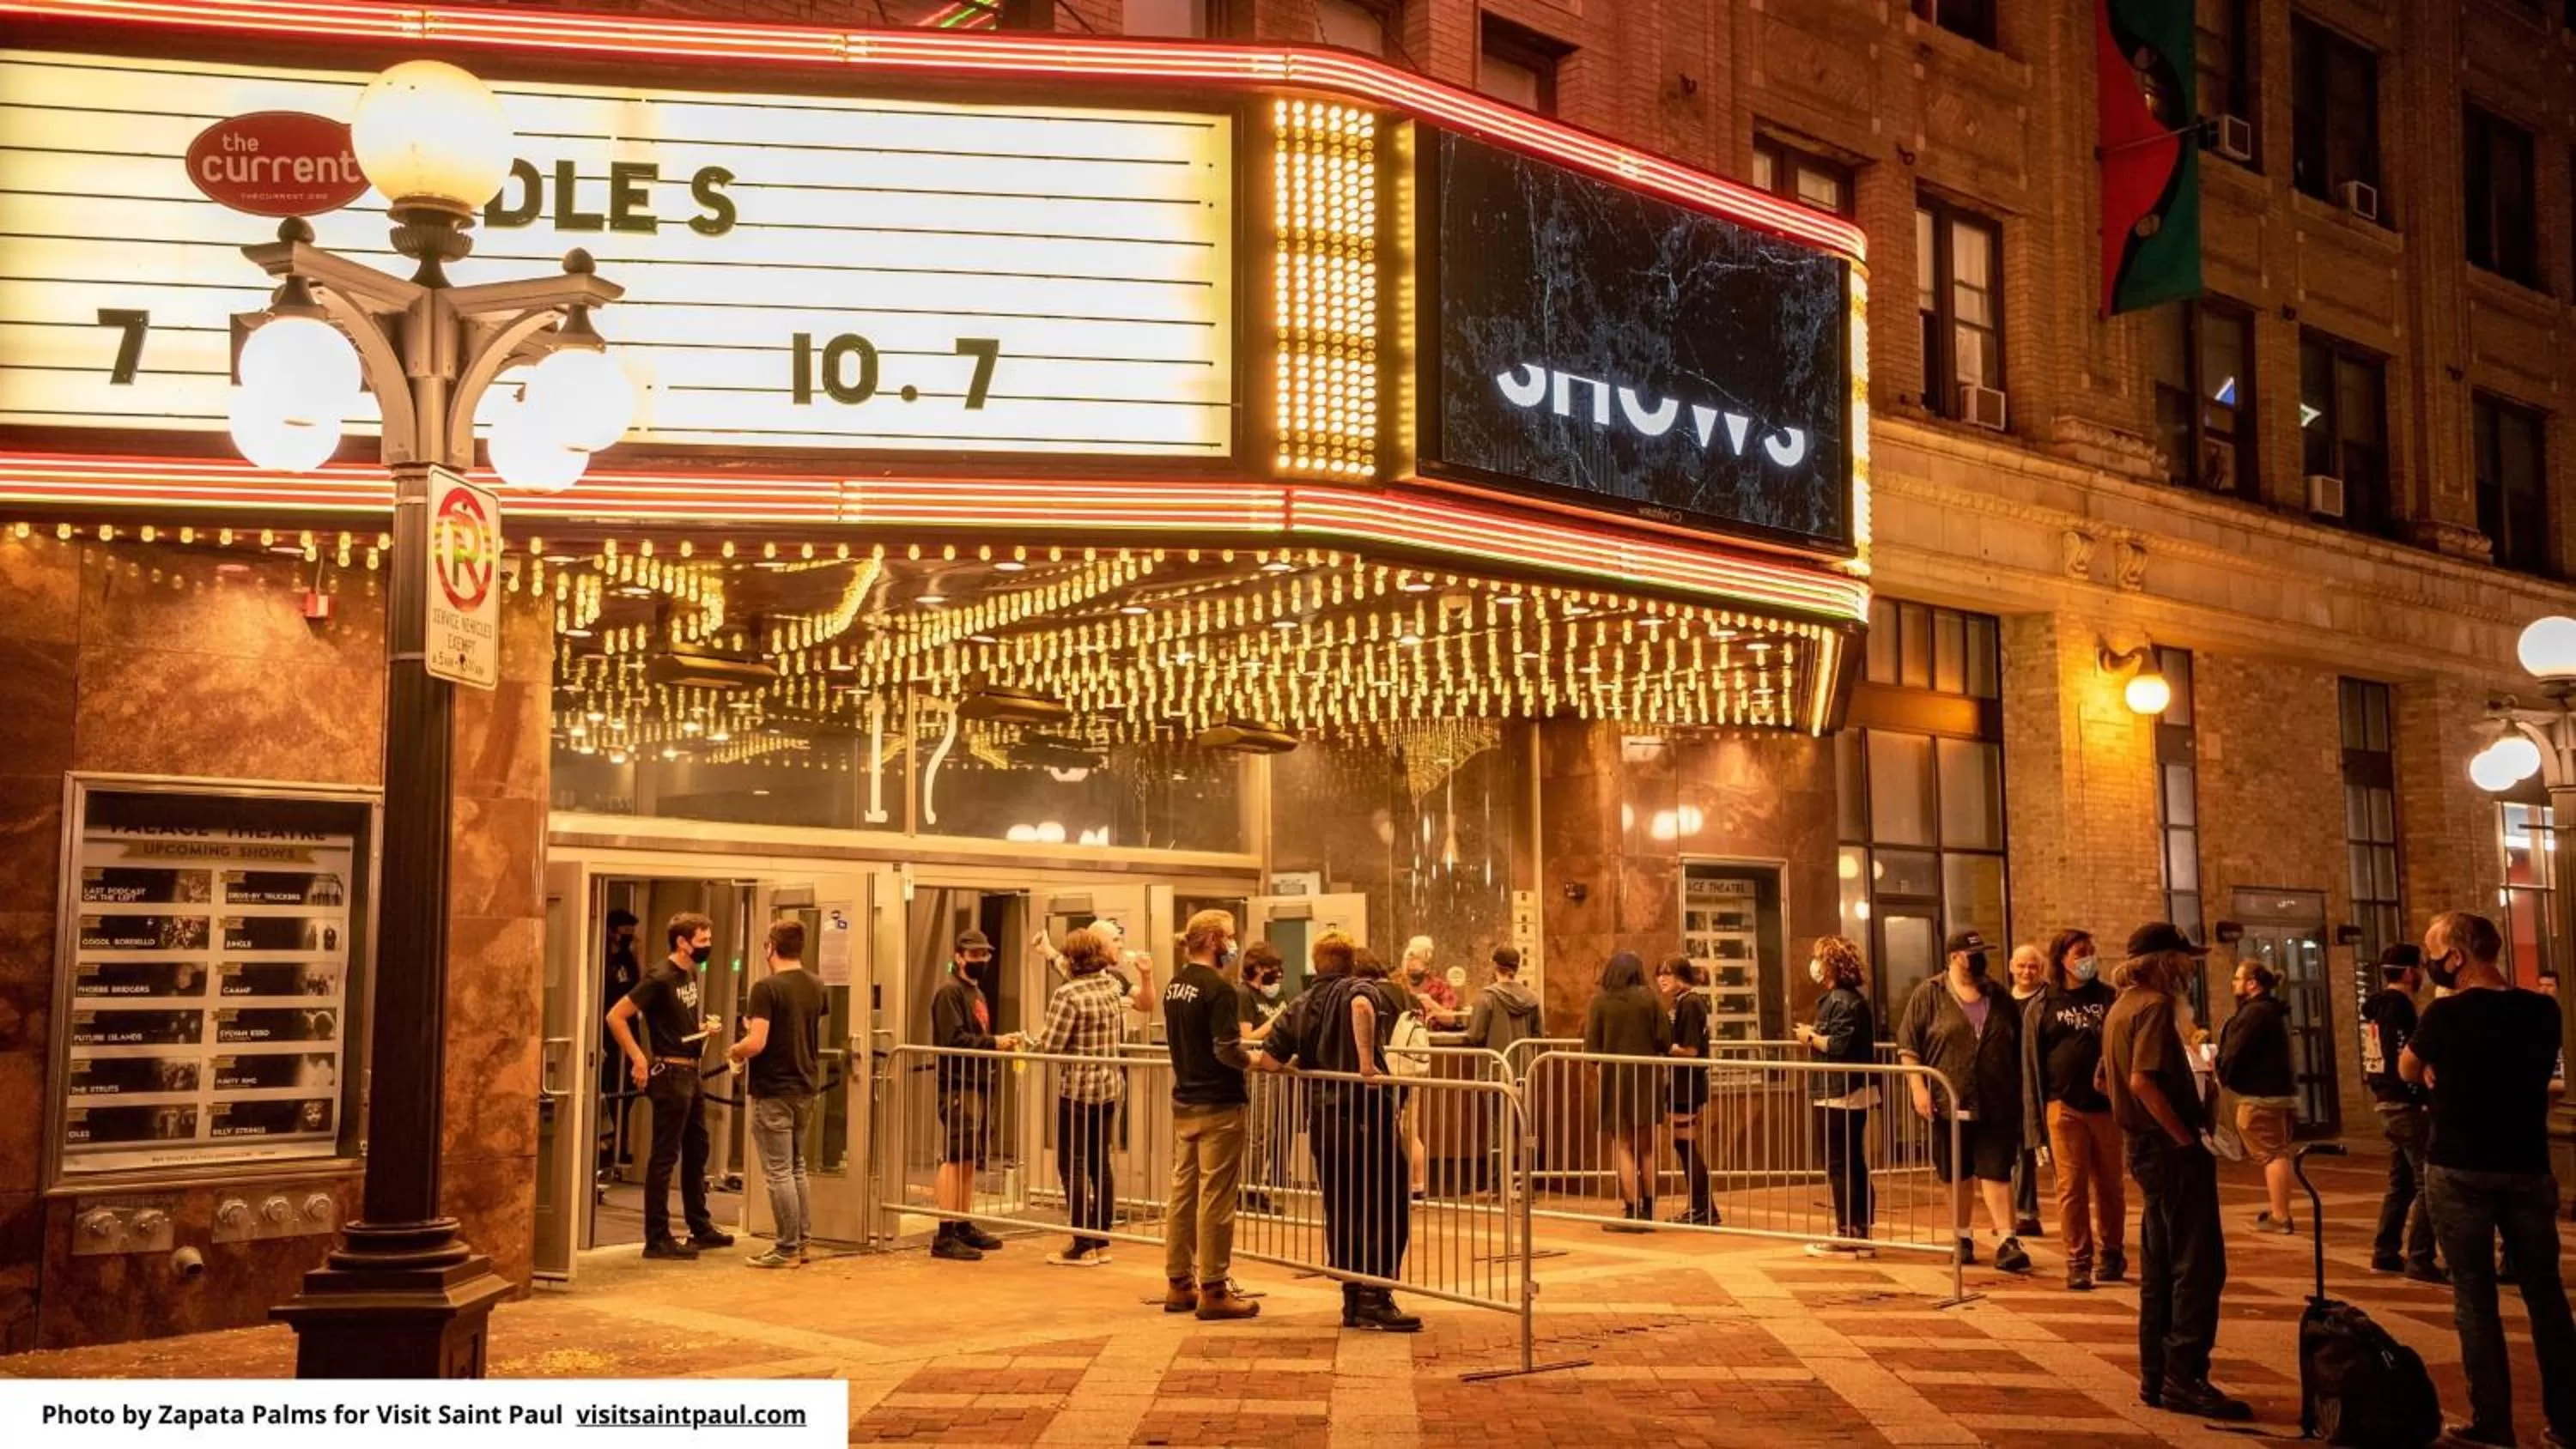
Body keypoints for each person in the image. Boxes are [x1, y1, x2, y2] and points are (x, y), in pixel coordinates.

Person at [2400, 911, 2573, 1449]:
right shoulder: (2542, 1010)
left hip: (2459, 1165)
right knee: (2545, 1293)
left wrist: (2435, 1064)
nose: (2431, 964)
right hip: (2526, 1163)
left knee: (2474, 1295)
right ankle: (2569, 1419)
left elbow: (2407, 1068)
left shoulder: (2446, 1014)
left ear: (2456, 957)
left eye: (2435, 954)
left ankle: (2492, 1422)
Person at [2103, 923, 2250, 1422]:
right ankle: (2184, 1375)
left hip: (2144, 1148)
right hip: (2169, 1151)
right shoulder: (2153, 1007)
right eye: (2185, 959)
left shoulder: (2120, 1007)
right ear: (2165, 961)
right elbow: (2141, 1081)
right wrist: (2184, 1138)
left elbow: (2105, 1079)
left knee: (2161, 1266)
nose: (2191, 968)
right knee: (2198, 1264)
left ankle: (2157, 1374)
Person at [1255, 931, 1421, 1331]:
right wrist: (1365, 1063)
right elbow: (1362, 1006)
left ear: (1316, 964)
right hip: (1365, 1117)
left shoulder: (1300, 1003)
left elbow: (1269, 1061)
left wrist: (1300, 1070)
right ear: (1350, 963)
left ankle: (1352, 1299)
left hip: (1324, 1121)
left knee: (1342, 1206)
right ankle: (1377, 1297)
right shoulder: (1357, 988)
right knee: (1383, 1203)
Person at [1894, 930, 2031, 1273]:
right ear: (1955, 957)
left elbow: (2017, 1045)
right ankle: (1962, 1235)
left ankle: (2007, 1239)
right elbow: (1909, 1046)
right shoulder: (1929, 994)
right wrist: (1918, 1088)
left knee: (1997, 1168)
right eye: (1974, 954)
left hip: (1996, 1099)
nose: (1980, 959)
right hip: (1949, 1099)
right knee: (1956, 1171)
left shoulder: (1999, 996)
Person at [605, 911, 734, 1260]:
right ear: (682, 942)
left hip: (691, 1072)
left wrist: (703, 1030)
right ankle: (657, 1236)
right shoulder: (659, 977)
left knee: (697, 1149)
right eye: (703, 940)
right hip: (671, 1074)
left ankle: (700, 1225)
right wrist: (638, 1057)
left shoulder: (687, 974)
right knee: (665, 1156)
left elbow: (676, 1021)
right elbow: (616, 1016)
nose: (708, 946)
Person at [1161, 908, 1261, 1320]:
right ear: (1216, 940)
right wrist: (1257, 1061)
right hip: (1219, 1103)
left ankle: (1178, 1282)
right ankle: (1214, 1289)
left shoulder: (1175, 986)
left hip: (1185, 1102)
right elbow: (1226, 1050)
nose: (1234, 944)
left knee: (1183, 1195)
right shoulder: (1220, 989)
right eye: (1231, 936)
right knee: (1216, 1199)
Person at [2021, 928, 2123, 1291]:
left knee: (2110, 1185)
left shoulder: (2110, 998)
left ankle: (2112, 1251)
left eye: (2090, 951)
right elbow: (2032, 1062)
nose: (2087, 958)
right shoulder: (2043, 1004)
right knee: (2071, 1188)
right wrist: (2035, 1121)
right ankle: (2078, 1260)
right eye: (2080, 952)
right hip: (2063, 1106)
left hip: (2106, 1108)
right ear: (2061, 958)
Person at [728, 917, 827, 1270]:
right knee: (797, 1168)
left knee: (779, 1172)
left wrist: (734, 1050)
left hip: (773, 1089)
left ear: (771, 947)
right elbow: (804, 1027)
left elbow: (757, 1042)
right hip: (805, 1086)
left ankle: (785, 1248)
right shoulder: (817, 985)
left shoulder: (765, 988)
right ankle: (802, 1243)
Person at [1032, 926, 1126, 1268]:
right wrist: (1050, 953)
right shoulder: (1112, 988)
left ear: (1073, 960)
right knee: (1100, 1163)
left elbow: (1051, 1045)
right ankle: (1100, 1240)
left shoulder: (1067, 995)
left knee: (1072, 1164)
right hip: (1109, 1087)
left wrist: (1027, 1043)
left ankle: (1081, 1243)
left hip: (1078, 1089)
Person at [929, 929, 1019, 1262]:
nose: (981, 959)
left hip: (977, 1082)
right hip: (959, 1083)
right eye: (974, 954)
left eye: (985, 954)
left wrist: (996, 1042)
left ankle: (963, 1223)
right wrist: (994, 1042)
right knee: (955, 1157)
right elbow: (953, 1039)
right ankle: (945, 1233)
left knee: (968, 1157)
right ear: (959, 957)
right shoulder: (949, 992)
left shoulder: (976, 992)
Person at [2362, 943, 2442, 1282]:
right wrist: (2416, 1088)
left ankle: (2385, 1251)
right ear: (2410, 972)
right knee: (2429, 1182)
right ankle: (2420, 1257)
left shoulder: (2378, 1007)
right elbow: (2403, 1055)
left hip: (2387, 1099)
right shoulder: (2399, 1007)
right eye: (2419, 968)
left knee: (2403, 1182)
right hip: (2404, 1102)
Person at [1797, 935, 1876, 1256]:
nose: (1814, 964)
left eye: (1819, 958)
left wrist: (1809, 1036)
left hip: (1839, 1091)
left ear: (1830, 965)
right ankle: (1859, 1230)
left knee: (1840, 1162)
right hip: (1847, 1090)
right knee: (1852, 1159)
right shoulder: (1848, 999)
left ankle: (1848, 1231)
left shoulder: (1842, 1001)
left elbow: (1838, 1045)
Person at [1583, 950, 1671, 1232]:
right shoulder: (1649, 998)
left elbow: (1592, 1048)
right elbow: (1664, 1039)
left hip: (1615, 1077)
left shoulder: (1600, 1001)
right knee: (1647, 1146)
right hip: (1647, 1076)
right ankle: (1649, 1212)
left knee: (1623, 1145)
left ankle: (1631, 1211)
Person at [2216, 958, 2299, 1234]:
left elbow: (2236, 1050)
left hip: (2261, 1095)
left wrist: (2222, 1072)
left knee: (2272, 1155)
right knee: (2277, 1152)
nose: (2233, 984)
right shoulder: (2269, 1011)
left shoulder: (2255, 1013)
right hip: (2276, 1093)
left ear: (2252, 984)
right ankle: (2280, 1211)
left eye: (2237, 979)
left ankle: (2281, 1216)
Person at [1657, 955, 1717, 1226]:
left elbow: (1691, 1050)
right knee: (1683, 1144)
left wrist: (1665, 1047)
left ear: (1681, 976)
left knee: (1686, 1144)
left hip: (1688, 1083)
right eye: (1659, 973)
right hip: (1680, 1082)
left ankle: (1701, 1208)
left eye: (1667, 973)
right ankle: (1704, 1207)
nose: (1661, 979)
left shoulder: (1690, 1004)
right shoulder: (1681, 1002)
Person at [1236, 941, 1293, 1214]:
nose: (1277, 974)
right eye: (1272, 968)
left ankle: (1257, 1186)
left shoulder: (1275, 996)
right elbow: (1246, 1037)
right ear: (1258, 968)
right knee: (1256, 1133)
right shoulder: (1244, 995)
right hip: (1255, 1069)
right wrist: (1276, 1021)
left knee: (1268, 1132)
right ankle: (1246, 1191)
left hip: (1273, 1067)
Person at [2007, 943, 2050, 1240]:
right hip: (2010, 1083)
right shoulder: (2004, 1000)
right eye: (2021, 966)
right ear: (2012, 967)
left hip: (2039, 1082)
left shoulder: (2048, 999)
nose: (2027, 971)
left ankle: (2026, 1212)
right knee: (2017, 1149)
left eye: (2033, 966)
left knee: (2031, 1147)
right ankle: (2020, 1211)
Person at [598, 908, 643, 1178]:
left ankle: (619, 1142)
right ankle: (604, 1145)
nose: (628, 937)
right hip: (605, 1034)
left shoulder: (628, 959)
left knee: (627, 1090)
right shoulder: (601, 959)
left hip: (629, 1033)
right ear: (611, 932)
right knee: (607, 1088)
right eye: (624, 932)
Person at [1463, 945, 1543, 1061]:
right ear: (1517, 968)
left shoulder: (1487, 998)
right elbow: (1538, 1036)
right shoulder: (1532, 999)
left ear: (1495, 966)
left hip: (1494, 1066)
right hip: (1524, 1067)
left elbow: (1475, 1035)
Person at [1400, 936, 1465, 1027]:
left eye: (1415, 970)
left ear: (1427, 969)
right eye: (1409, 970)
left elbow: (1451, 1020)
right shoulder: (1399, 988)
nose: (1412, 973)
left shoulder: (1441, 987)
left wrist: (1432, 1005)